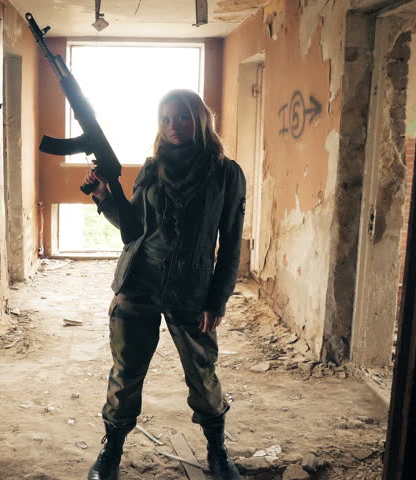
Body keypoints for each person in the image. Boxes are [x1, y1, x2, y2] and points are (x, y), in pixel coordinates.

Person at [83, 89, 246, 480]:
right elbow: (133, 230)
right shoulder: (151, 168)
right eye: (167, 119)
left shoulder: (226, 172)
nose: (174, 126)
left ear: (200, 119)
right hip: (139, 282)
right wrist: (105, 196)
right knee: (126, 372)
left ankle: (217, 451)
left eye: (183, 117)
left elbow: (231, 242)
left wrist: (218, 299)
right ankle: (112, 451)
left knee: (202, 374)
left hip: (192, 288)